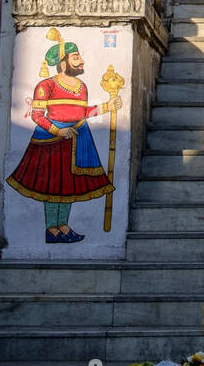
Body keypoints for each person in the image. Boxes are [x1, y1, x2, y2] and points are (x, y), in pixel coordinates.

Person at [6, 29, 119, 244]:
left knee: (69, 186)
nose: (82, 61)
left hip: (78, 138)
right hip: (50, 142)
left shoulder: (82, 87)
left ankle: (64, 226)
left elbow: (82, 112)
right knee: (51, 187)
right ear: (63, 63)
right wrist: (58, 130)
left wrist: (107, 106)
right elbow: (38, 116)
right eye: (76, 58)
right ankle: (52, 228)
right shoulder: (45, 86)